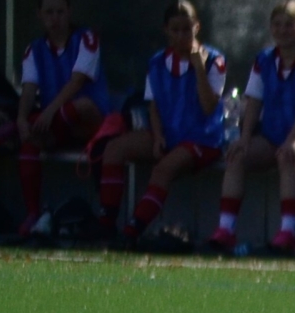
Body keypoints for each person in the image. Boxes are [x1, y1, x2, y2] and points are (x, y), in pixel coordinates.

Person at [97, 1, 226, 245]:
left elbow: (209, 106)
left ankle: (132, 232)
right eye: (175, 30)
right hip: (168, 132)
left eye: (187, 29)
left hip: (202, 138)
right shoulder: (157, 62)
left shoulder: (214, 60)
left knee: (163, 169)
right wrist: (157, 136)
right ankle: (106, 224)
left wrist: (199, 69)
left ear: (197, 28)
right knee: (114, 149)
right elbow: (153, 105)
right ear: (166, 30)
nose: (181, 36)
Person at [208, 0, 295, 254]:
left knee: (288, 155)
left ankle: (288, 231)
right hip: (274, 134)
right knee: (237, 155)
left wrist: (291, 140)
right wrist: (244, 138)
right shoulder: (263, 60)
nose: (283, 30)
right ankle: (226, 229)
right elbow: (254, 101)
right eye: (277, 25)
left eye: (289, 24)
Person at [15, 0, 110, 237]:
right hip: (58, 126)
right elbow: (29, 89)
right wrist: (21, 119)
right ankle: (33, 214)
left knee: (79, 106)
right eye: (49, 12)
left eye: (60, 12)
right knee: (28, 142)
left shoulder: (86, 39)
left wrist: (48, 112)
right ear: (39, 14)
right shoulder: (34, 49)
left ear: (69, 12)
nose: (55, 18)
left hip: (89, 122)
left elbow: (77, 81)